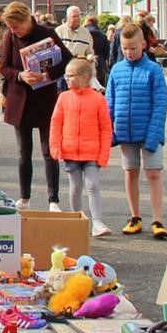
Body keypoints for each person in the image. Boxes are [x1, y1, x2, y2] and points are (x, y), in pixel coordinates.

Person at [0, 1, 66, 210]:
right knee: (23, 152)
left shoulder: (47, 33)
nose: (13, 31)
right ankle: (24, 197)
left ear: (26, 20)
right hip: (20, 100)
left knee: (49, 151)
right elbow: (4, 67)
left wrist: (46, 75)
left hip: (44, 98)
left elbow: (66, 60)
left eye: (16, 27)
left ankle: (53, 199)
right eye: (10, 27)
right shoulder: (10, 36)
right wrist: (20, 75)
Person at [106, 21, 167, 238]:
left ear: (143, 44)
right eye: (125, 48)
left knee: (153, 173)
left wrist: (154, 134)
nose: (129, 52)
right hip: (125, 130)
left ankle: (158, 219)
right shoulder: (116, 69)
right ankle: (135, 216)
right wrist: (111, 131)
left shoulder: (153, 70)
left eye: (133, 48)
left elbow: (161, 103)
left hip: (149, 129)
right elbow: (110, 102)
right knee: (130, 172)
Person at [50, 56, 113, 238]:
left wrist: (104, 154)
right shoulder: (63, 98)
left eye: (71, 75)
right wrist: (55, 147)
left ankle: (98, 222)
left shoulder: (98, 99)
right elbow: (55, 123)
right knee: (75, 187)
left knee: (93, 186)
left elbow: (106, 128)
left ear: (85, 77)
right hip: (70, 151)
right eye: (66, 75)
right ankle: (77, 219)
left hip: (91, 153)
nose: (67, 79)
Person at [55, 6, 94, 73]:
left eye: (78, 16)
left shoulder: (86, 33)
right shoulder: (58, 31)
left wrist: (90, 58)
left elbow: (89, 52)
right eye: (74, 16)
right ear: (68, 17)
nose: (77, 19)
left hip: (79, 72)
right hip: (61, 71)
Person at [86, 14, 111, 88]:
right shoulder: (102, 35)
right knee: (100, 87)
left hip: (87, 62)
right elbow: (107, 51)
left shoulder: (84, 34)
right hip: (100, 62)